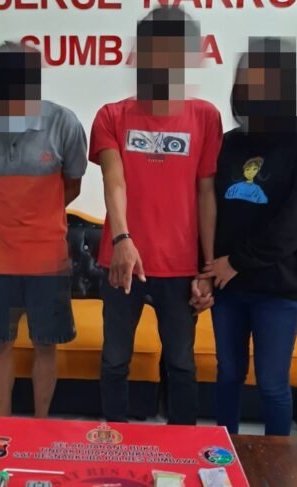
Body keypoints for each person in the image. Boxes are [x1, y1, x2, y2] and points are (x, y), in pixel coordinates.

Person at [89, 5, 222, 424]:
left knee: (181, 364)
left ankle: (182, 443)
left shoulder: (205, 117)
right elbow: (114, 181)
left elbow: (206, 193)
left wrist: (207, 268)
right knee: (115, 361)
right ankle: (115, 441)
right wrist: (123, 240)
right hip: (122, 263)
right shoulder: (112, 116)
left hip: (180, 267)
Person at [200, 37, 297, 436]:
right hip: (228, 285)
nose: (252, 89)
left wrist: (238, 261)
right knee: (228, 374)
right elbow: (210, 209)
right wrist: (207, 268)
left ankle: (278, 461)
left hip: (279, 286)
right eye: (246, 80)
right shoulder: (230, 142)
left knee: (273, 384)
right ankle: (224, 454)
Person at [0, 42, 87, 418]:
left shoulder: (63, 123)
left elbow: (72, 185)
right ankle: (3, 424)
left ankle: (40, 425)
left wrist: (36, 217)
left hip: (47, 259)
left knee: (46, 344)